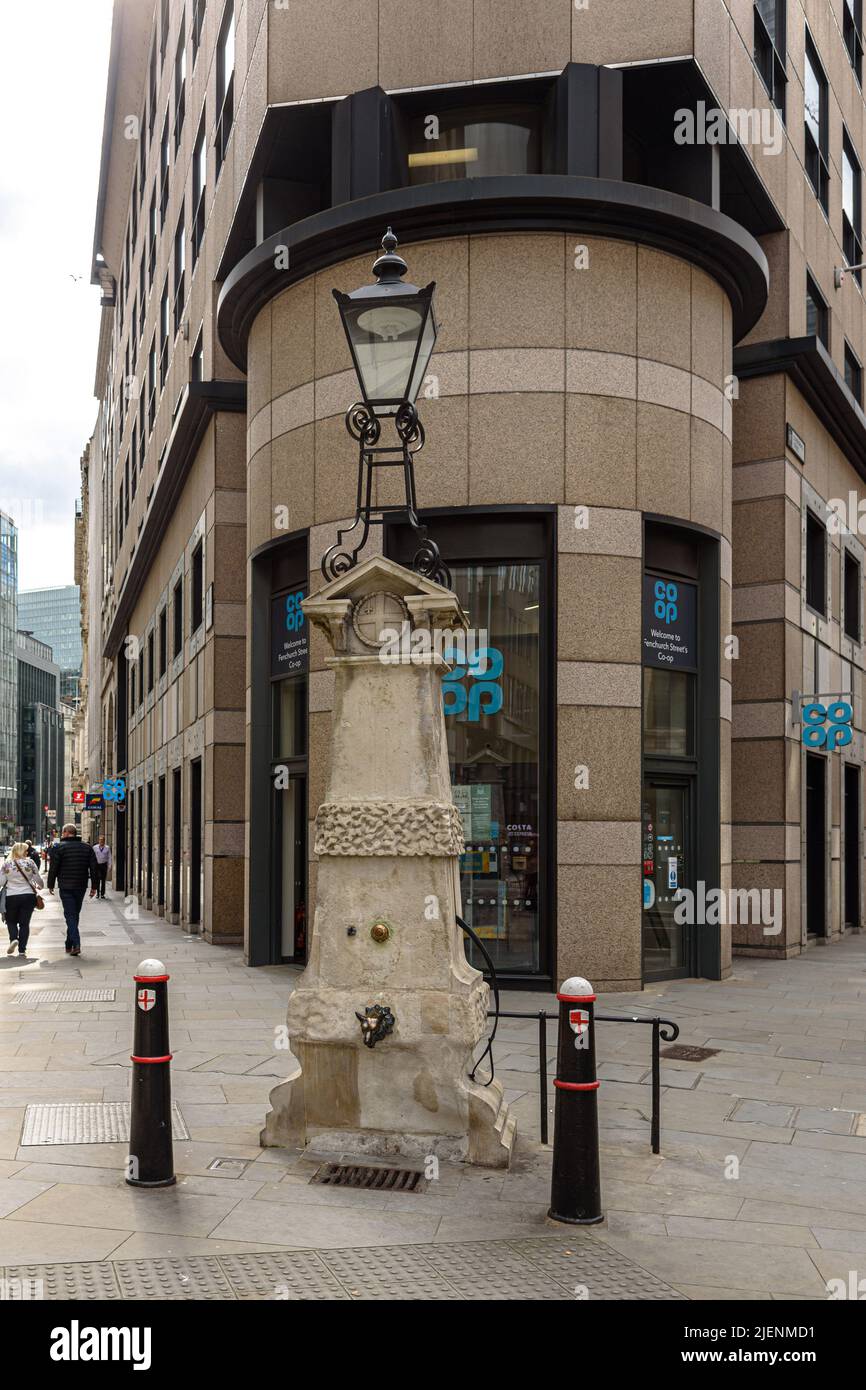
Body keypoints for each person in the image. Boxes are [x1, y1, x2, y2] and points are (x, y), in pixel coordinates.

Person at [47, 823, 98, 957]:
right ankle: (68, 944)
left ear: (65, 833)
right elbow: (93, 868)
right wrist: (94, 887)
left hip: (66, 886)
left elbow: (53, 869)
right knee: (74, 914)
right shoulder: (87, 848)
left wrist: (50, 884)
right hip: (81, 886)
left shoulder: (59, 848)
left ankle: (76, 944)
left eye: (63, 833)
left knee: (70, 915)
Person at [0, 843, 45, 958]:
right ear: (21, 851)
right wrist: (40, 886)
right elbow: (38, 880)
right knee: (24, 924)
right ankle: (22, 950)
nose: (27, 852)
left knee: (11, 921)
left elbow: (1, 882)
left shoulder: (7, 864)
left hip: (11, 896)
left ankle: (14, 939)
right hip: (28, 896)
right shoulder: (30, 863)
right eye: (25, 850)